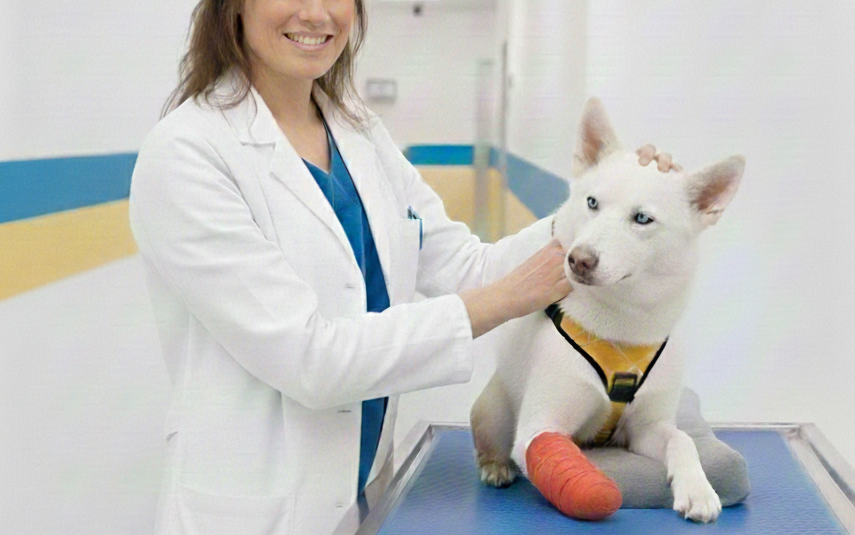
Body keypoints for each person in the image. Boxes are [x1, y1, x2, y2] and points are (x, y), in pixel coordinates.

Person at [129, 1, 679, 533]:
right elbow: (310, 359)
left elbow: (469, 265)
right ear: (234, 6)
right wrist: (498, 302)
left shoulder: (357, 132)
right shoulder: (187, 155)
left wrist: (608, 203)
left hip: (365, 488)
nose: (317, 13)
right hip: (254, 508)